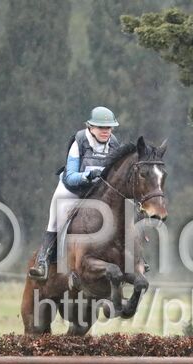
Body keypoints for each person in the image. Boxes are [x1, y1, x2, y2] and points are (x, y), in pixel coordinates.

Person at [28, 106, 121, 280]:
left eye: (109, 127)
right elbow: (70, 177)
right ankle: (42, 262)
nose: (105, 131)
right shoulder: (79, 141)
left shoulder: (114, 144)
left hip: (98, 191)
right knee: (56, 220)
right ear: (90, 127)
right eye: (101, 127)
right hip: (73, 190)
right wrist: (88, 175)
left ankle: (135, 258)